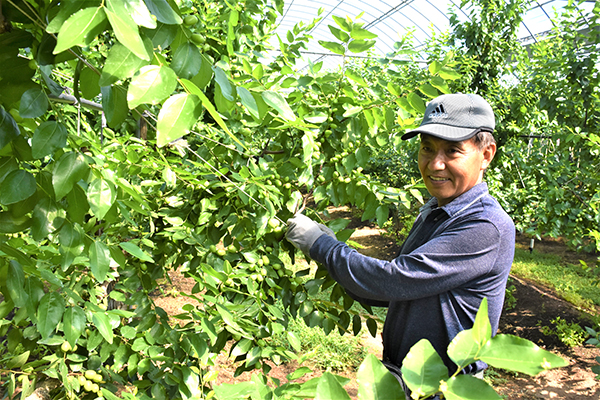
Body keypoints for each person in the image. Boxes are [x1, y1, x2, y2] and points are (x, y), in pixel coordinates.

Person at [285, 93, 515, 399]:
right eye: (426, 148)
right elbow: (397, 290)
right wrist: (334, 256)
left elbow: (393, 281)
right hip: (406, 378)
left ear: (486, 155)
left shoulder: (485, 227)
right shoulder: (436, 211)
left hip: (442, 388)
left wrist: (321, 245)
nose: (435, 164)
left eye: (453, 151)